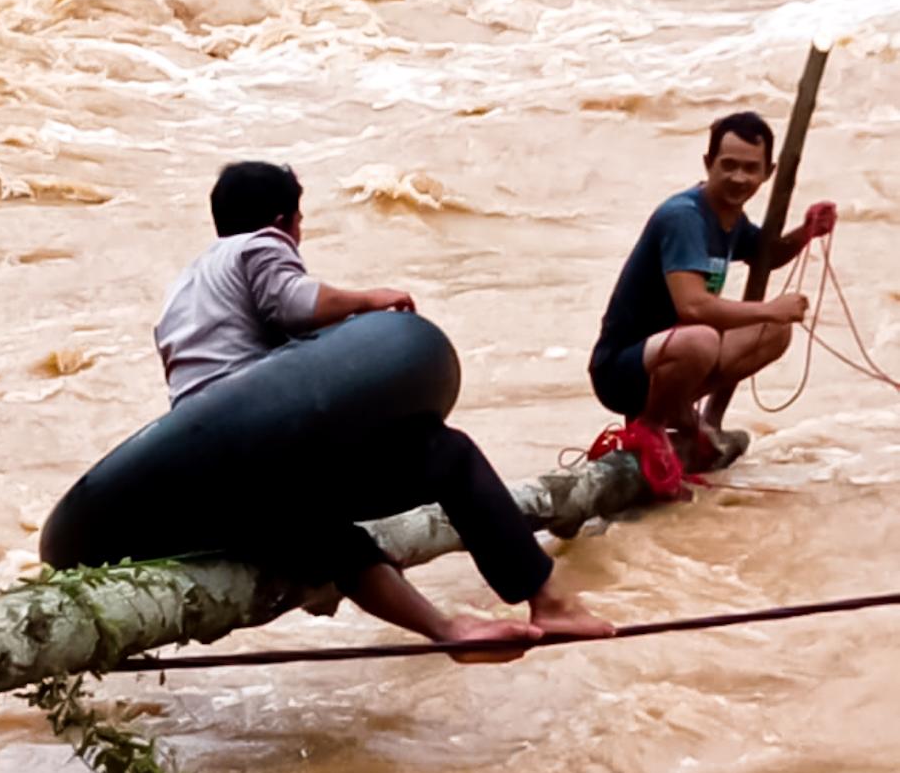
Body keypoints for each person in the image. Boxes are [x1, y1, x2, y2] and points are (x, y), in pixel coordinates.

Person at [154, 160, 613, 662]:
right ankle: (547, 601)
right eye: (299, 222)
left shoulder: (182, 289)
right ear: (284, 220)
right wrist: (370, 300)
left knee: (326, 535)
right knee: (444, 452)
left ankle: (446, 630)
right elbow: (294, 303)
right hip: (259, 447)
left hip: (221, 489)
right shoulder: (259, 244)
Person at [588, 111, 836, 478]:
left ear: (768, 172)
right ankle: (651, 428)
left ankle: (686, 420)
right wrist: (771, 308)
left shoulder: (732, 218)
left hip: (672, 358)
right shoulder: (684, 216)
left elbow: (767, 256)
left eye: (751, 169)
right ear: (708, 164)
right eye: (728, 166)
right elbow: (693, 305)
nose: (740, 178)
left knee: (774, 332)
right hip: (622, 371)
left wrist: (806, 232)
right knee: (704, 338)